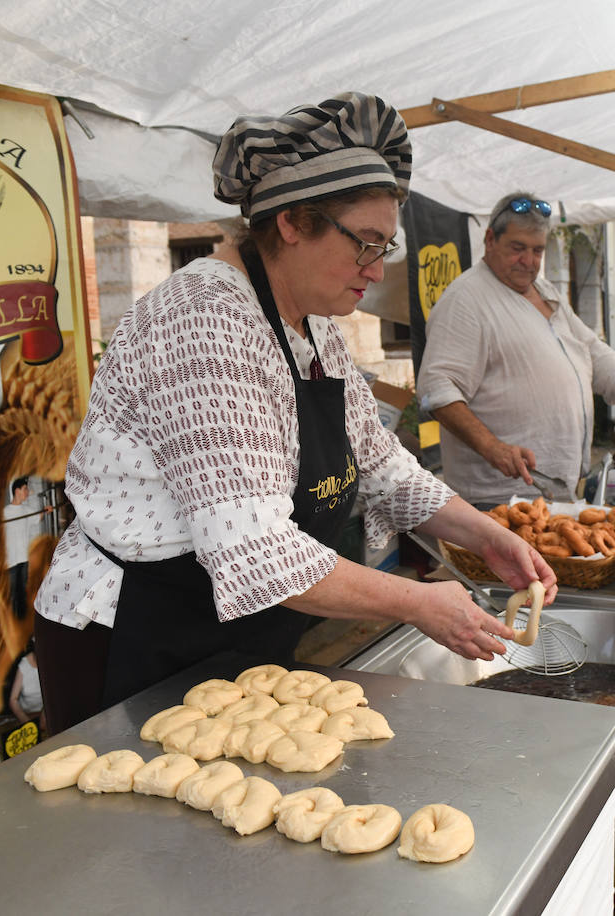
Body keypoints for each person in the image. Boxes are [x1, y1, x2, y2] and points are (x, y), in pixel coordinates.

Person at [33, 93, 547, 734]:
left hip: (234, 631)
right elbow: (255, 551)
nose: (377, 269)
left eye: (386, 247)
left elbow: (382, 463)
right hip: (138, 634)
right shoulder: (206, 320)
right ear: (293, 223)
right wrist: (416, 601)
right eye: (366, 244)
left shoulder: (315, 324)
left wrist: (487, 536)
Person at [417, 192, 615, 507]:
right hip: (499, 499)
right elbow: (437, 389)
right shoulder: (466, 300)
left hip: (553, 492)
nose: (529, 261)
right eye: (517, 248)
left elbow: (590, 348)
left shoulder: (544, 290)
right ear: (489, 240)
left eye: (537, 250)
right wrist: (493, 447)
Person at [3, 477, 47, 621]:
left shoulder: (27, 510)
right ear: (17, 491)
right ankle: (13, 625)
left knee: (22, 594)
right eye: (25, 489)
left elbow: (37, 517)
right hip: (10, 561)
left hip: (24, 559)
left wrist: (46, 511)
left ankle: (22, 627)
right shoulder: (5, 513)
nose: (27, 492)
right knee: (13, 595)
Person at [8, 642, 44, 728]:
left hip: (45, 712)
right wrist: (27, 722)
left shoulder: (51, 662)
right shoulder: (23, 665)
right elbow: (13, 700)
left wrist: (45, 714)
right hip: (25, 713)